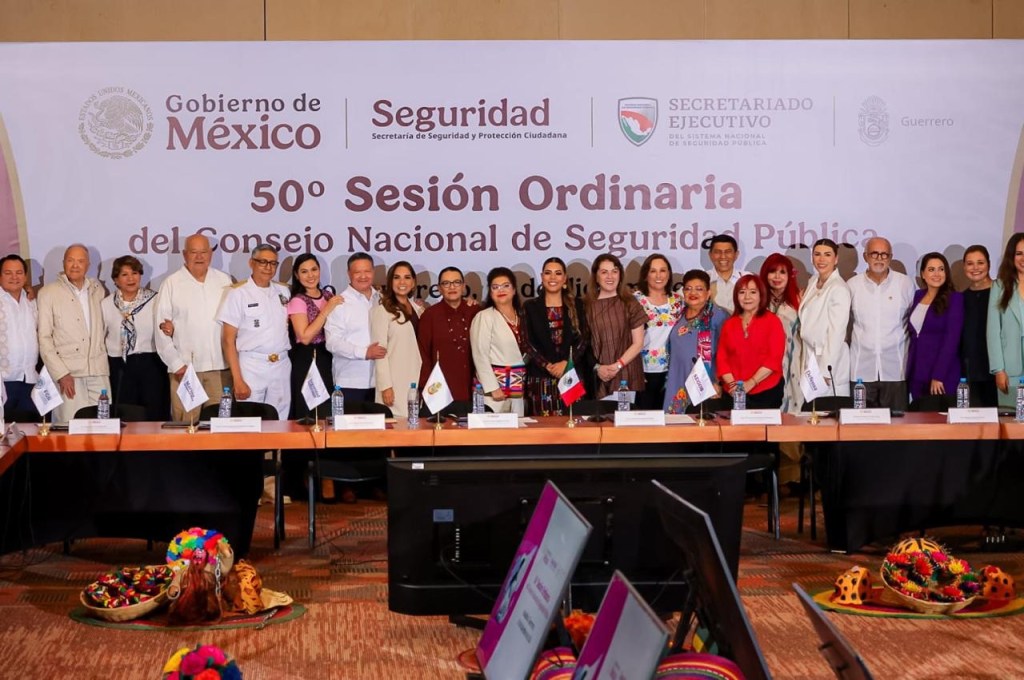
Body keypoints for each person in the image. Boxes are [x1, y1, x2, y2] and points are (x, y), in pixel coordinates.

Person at [154, 233, 233, 421]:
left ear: (211, 254)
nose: (199, 257)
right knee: (185, 426)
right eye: (193, 252)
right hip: (185, 371)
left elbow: (233, 323)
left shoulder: (224, 281)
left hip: (220, 370)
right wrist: (176, 364)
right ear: (184, 254)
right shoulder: (171, 283)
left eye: (204, 252)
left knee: (220, 425)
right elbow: (161, 330)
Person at [36, 244, 110, 423]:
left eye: (80, 261)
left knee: (103, 427)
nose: (75, 265)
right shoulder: (48, 293)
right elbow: (44, 338)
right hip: (69, 374)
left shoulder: (97, 289)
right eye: (70, 260)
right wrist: (61, 374)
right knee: (69, 428)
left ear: (88, 265)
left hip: (98, 372)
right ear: (63, 263)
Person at [217, 245, 292, 419]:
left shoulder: (283, 291)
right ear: (251, 263)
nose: (268, 267)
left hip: (281, 364)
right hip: (252, 365)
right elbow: (228, 340)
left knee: (279, 419)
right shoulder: (238, 294)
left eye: (273, 263)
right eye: (263, 262)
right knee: (249, 419)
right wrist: (238, 379)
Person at [847, 237, 915, 410]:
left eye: (884, 254)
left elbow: (914, 322)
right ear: (865, 256)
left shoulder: (905, 284)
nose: (879, 258)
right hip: (861, 368)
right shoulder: (852, 285)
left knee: (898, 424)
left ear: (890, 257)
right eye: (874, 254)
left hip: (896, 369)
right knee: (860, 424)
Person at [100, 255, 169, 420]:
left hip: (151, 363)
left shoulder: (155, 299)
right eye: (124, 274)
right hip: (120, 365)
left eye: (135, 273)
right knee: (125, 414)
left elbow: (165, 326)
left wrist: (169, 328)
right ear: (116, 280)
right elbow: (100, 337)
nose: (131, 278)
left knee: (155, 413)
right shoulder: (106, 304)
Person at [523, 256, 589, 416]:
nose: (552, 277)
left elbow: (584, 339)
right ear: (542, 276)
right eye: (548, 273)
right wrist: (547, 366)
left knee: (573, 423)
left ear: (565, 278)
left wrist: (567, 363)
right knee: (544, 427)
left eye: (558, 273)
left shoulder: (577, 305)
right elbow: (526, 342)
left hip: (571, 375)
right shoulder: (530, 306)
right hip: (540, 379)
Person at [663, 270, 729, 413]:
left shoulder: (719, 316)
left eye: (699, 289)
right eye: (688, 288)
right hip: (677, 380)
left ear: (708, 293)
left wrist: (719, 382)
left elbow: (728, 353)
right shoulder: (678, 314)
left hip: (706, 383)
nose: (693, 293)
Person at [716, 275, 786, 409]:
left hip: (766, 391)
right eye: (742, 292)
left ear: (761, 295)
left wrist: (751, 382)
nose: (747, 297)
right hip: (733, 392)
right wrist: (734, 386)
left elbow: (774, 358)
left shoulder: (773, 321)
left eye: (753, 292)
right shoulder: (729, 324)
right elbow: (722, 359)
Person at [287, 253, 343, 420]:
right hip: (307, 359)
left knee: (327, 410)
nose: (310, 275)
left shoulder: (328, 296)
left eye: (314, 269)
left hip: (328, 357)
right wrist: (326, 310)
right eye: (304, 272)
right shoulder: (298, 301)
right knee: (309, 411)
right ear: (297, 275)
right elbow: (304, 337)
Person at [325, 252, 385, 404]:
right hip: (350, 383)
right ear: (349, 274)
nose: (363, 276)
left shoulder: (382, 300)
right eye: (357, 272)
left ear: (373, 272)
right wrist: (364, 353)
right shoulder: (339, 303)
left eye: (367, 271)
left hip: (381, 383)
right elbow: (332, 342)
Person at [370, 261, 426, 417]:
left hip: (418, 378)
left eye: (407, 277)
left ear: (413, 282)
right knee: (396, 424)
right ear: (390, 282)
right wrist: (385, 386)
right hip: (394, 382)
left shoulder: (419, 310)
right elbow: (379, 352)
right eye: (397, 277)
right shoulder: (382, 311)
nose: (402, 282)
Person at [586, 254, 646, 400]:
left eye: (614, 271)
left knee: (623, 415)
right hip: (598, 376)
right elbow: (584, 345)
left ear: (620, 275)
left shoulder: (630, 303)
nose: (610, 276)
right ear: (596, 277)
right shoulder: (586, 306)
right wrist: (598, 368)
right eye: (604, 272)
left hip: (626, 374)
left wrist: (617, 366)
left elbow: (638, 343)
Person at [906, 253, 964, 403]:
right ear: (923, 274)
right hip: (917, 373)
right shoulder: (918, 296)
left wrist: (938, 376)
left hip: (942, 375)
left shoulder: (955, 298)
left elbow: (952, 340)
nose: (937, 274)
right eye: (931, 269)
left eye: (941, 269)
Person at [417, 266, 480, 403]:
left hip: (474, 388)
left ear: (463, 286)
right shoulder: (430, 316)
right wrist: (425, 388)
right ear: (439, 288)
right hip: (439, 389)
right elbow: (423, 355)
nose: (452, 287)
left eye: (456, 282)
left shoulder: (476, 312)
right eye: (446, 283)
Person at [798, 238, 852, 397]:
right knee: (812, 409)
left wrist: (825, 371)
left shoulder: (839, 288)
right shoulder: (813, 281)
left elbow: (837, 332)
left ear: (836, 259)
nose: (821, 259)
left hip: (829, 361)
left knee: (828, 409)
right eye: (817, 254)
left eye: (827, 255)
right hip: (810, 358)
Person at [471, 267, 527, 415]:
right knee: (492, 428)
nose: (500, 290)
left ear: (514, 290)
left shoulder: (523, 316)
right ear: (490, 292)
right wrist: (492, 387)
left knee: (517, 427)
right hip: (493, 393)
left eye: (505, 286)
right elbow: (479, 355)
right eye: (495, 287)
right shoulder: (485, 316)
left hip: (518, 390)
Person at [634, 253, 683, 410]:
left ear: (669, 274)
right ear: (645, 275)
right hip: (642, 370)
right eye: (653, 271)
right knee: (644, 417)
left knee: (669, 417)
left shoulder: (678, 301)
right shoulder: (635, 301)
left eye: (662, 270)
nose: (658, 276)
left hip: (672, 371)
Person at [759, 254, 803, 413]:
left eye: (782, 272)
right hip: (763, 367)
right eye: (772, 271)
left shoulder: (800, 300)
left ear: (790, 275)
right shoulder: (757, 301)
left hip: (793, 364)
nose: (777, 277)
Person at [987, 233, 1024, 408]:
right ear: (1011, 256)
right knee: (1011, 419)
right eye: (1019, 253)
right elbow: (993, 332)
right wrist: (998, 370)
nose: (1023, 258)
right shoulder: (999, 286)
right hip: (1010, 370)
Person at [0, 254, 39, 419]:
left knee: (31, 430)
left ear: (25, 276)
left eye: (19, 272)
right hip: (3, 381)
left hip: (30, 379)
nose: (14, 277)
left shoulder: (31, 300)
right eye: (8, 273)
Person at [960, 245, 997, 406]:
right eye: (970, 263)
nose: (975, 268)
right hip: (970, 372)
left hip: (998, 371)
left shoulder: (1002, 292)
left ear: (989, 264)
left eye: (980, 263)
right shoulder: (961, 298)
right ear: (964, 267)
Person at [706, 234, 748, 313]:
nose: (723, 256)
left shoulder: (748, 279)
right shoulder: (701, 280)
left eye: (728, 252)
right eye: (717, 252)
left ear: (736, 254)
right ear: (710, 255)